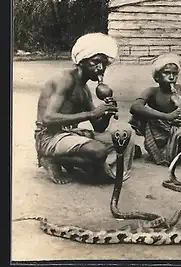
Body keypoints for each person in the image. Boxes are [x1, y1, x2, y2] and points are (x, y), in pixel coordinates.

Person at [35, 33, 136, 184]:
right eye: (95, 62)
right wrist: (91, 113)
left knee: (126, 136)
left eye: (103, 64)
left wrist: (107, 113)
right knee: (99, 151)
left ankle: (88, 164)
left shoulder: (84, 89)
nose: (100, 68)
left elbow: (99, 127)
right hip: (49, 137)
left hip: (70, 134)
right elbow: (48, 119)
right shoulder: (65, 79)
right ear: (81, 61)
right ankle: (50, 158)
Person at [129, 53, 181, 166]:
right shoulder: (152, 92)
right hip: (161, 130)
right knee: (137, 117)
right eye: (166, 73)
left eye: (174, 73)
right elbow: (135, 107)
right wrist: (167, 116)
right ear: (157, 77)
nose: (171, 77)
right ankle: (142, 148)